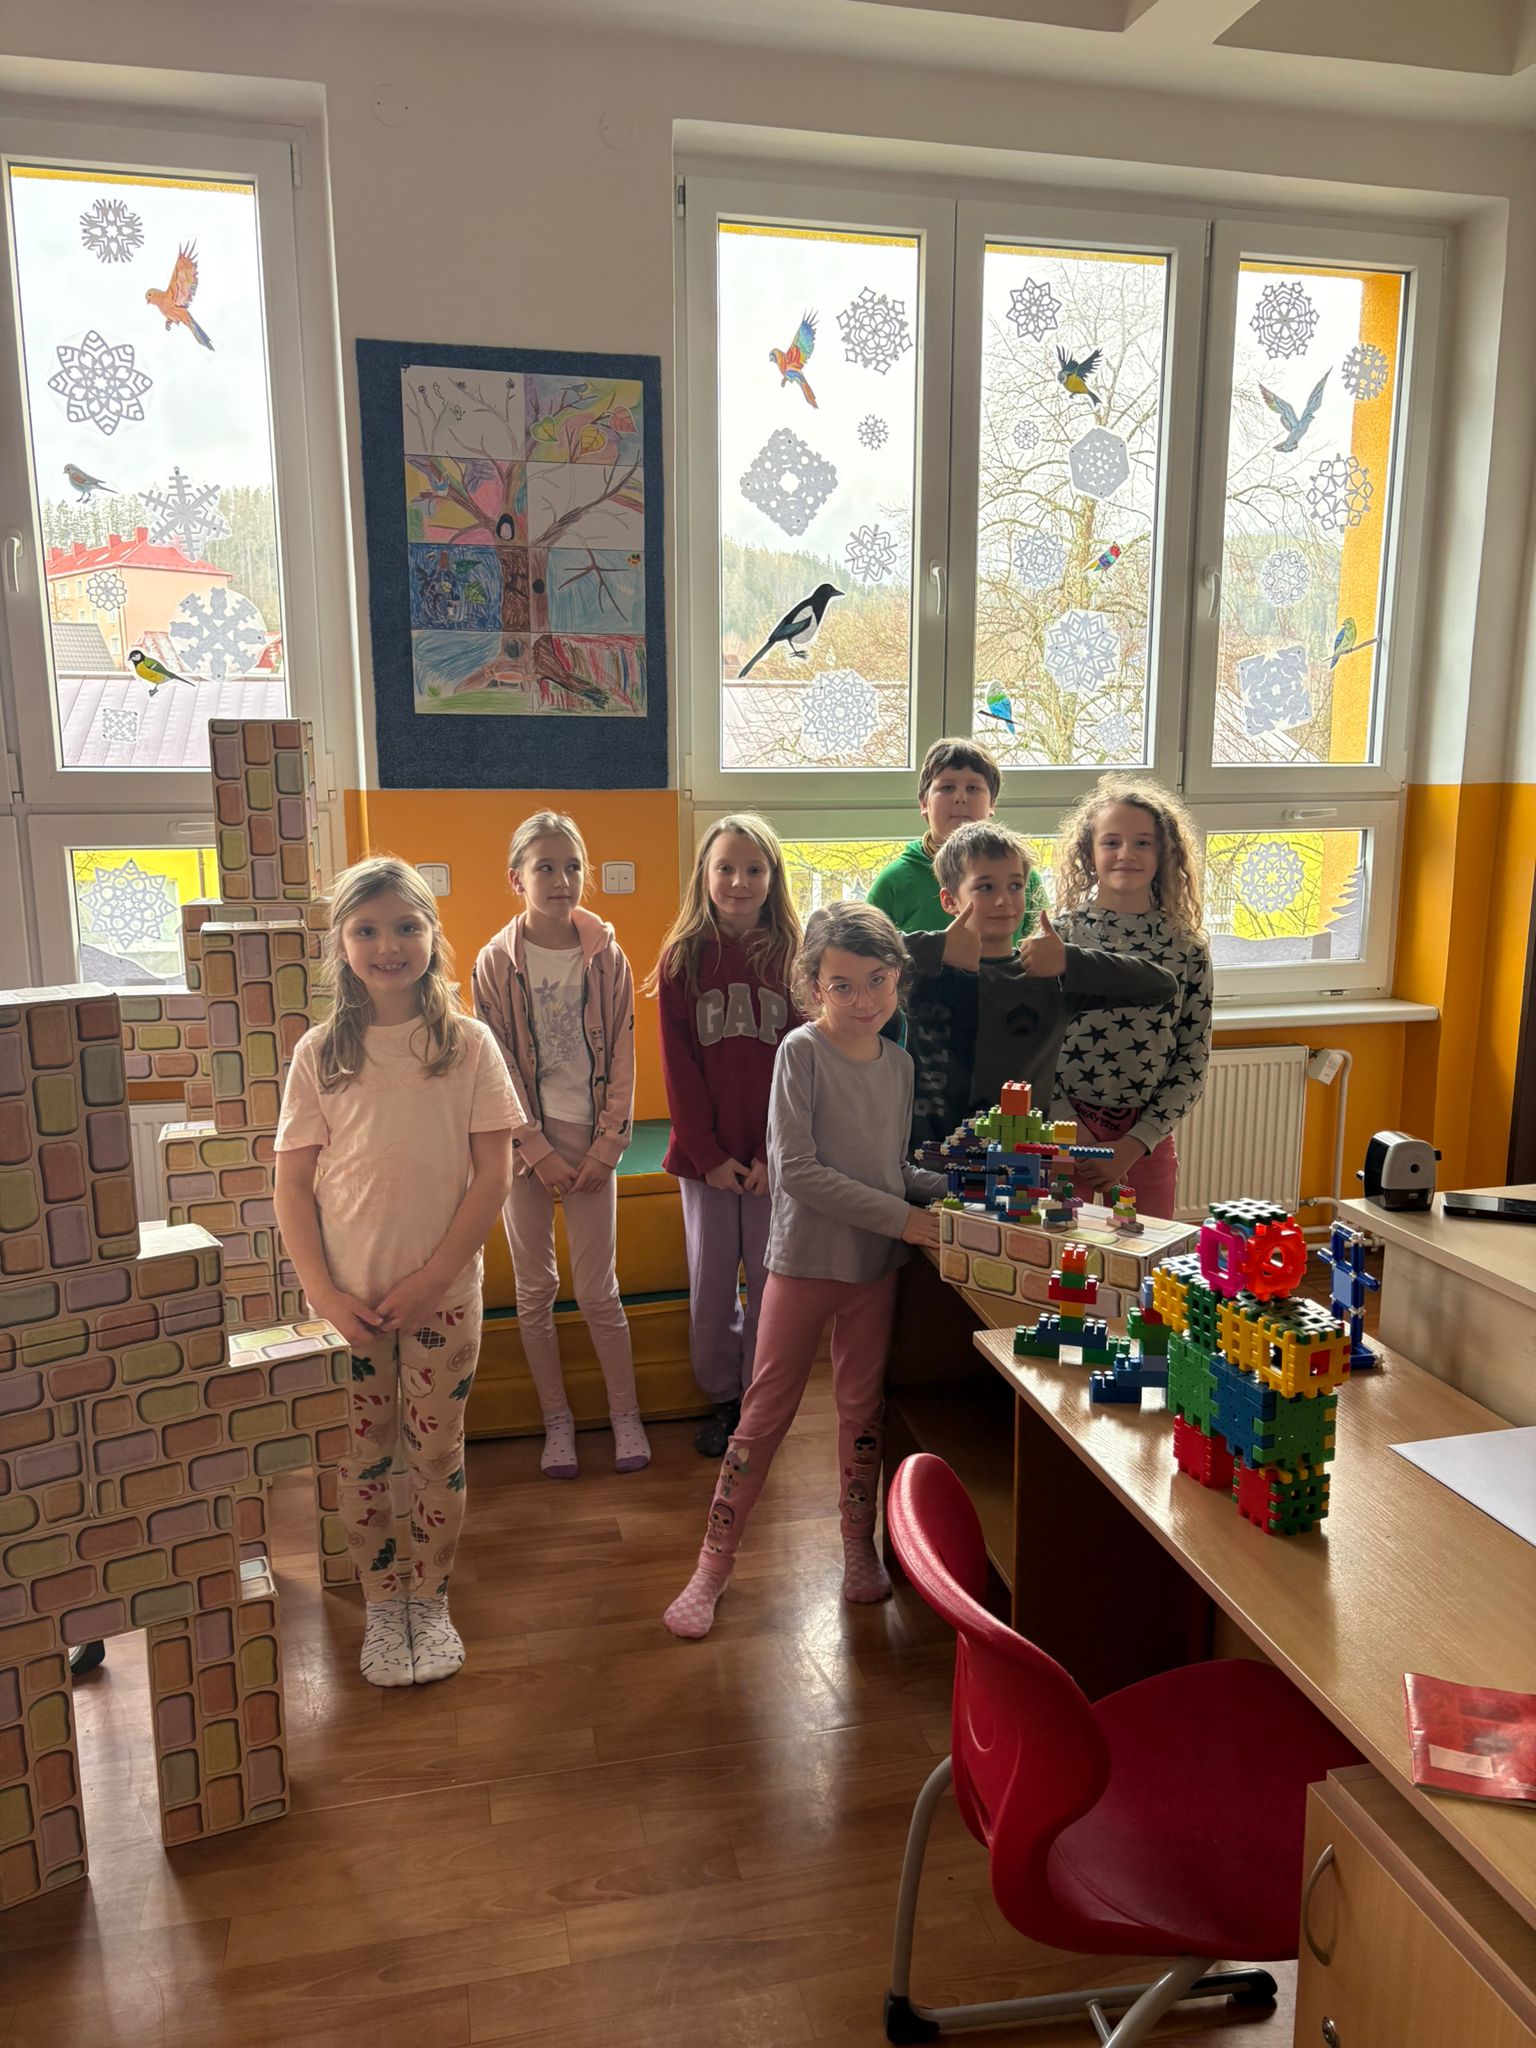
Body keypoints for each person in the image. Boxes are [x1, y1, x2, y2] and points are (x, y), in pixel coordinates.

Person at [663, 903, 945, 1642]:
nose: (864, 999)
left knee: (861, 1414)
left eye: (878, 980)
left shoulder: (899, 1064)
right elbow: (799, 1173)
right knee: (763, 1416)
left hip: (874, 1269)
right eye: (842, 985)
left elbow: (887, 1169)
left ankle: (857, 1548)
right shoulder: (800, 1051)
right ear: (814, 986)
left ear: (898, 978)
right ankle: (712, 1567)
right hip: (803, 1263)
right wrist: (905, 1218)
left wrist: (952, 1189)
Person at [275, 856, 515, 1687]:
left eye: (407, 926)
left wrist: (434, 1275)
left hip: (441, 1299)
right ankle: (384, 1602)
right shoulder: (320, 1053)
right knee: (363, 1459)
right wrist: (324, 1292)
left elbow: (494, 1175)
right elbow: (292, 1184)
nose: (389, 945)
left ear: (432, 936)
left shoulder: (469, 1045)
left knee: (435, 1453)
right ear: (342, 944)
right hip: (350, 1305)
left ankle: (429, 1599)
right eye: (368, 929)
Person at [473, 811, 650, 1480]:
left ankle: (625, 1414)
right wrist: (535, 1150)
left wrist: (607, 1148)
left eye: (572, 866)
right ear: (515, 878)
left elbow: (624, 1055)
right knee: (535, 1290)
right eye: (544, 867)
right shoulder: (494, 962)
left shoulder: (607, 955)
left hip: (592, 1142)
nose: (561, 879)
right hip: (525, 1149)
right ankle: (557, 1422)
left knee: (600, 1292)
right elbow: (496, 1066)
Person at [648, 815, 802, 1458]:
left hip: (775, 1159)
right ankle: (724, 1398)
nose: (739, 882)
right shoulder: (684, 958)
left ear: (773, 878)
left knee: (771, 1287)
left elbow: (802, 1070)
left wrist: (771, 1153)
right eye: (726, 868)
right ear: (704, 876)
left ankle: (761, 1402)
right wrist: (708, 1155)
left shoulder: (794, 957)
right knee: (711, 1287)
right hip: (704, 1161)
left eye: (753, 869)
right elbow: (677, 1068)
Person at [902, 820, 1179, 1148]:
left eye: (1015, 886)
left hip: (1022, 1160)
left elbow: (1161, 986)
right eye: (986, 887)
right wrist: (935, 947)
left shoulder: (1049, 978)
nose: (1004, 900)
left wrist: (1070, 961)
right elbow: (853, 943)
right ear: (950, 900)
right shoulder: (922, 971)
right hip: (926, 1159)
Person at [1051, 776, 1213, 1220]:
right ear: (1089, 854)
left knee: (1144, 1254)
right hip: (1064, 1133)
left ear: (1164, 855)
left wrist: (1133, 1144)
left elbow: (1192, 1058)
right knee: (1061, 1253)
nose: (1127, 853)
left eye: (1143, 842)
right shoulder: (1060, 938)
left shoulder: (1187, 948)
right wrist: (1071, 1129)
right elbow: (1033, 1046)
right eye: (1112, 842)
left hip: (1144, 1141)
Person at [867, 736, 1048, 944]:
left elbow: (1041, 946)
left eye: (973, 788)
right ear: (924, 803)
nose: (960, 798)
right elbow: (866, 951)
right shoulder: (893, 882)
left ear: (992, 804)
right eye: (947, 788)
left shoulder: (1022, 877)